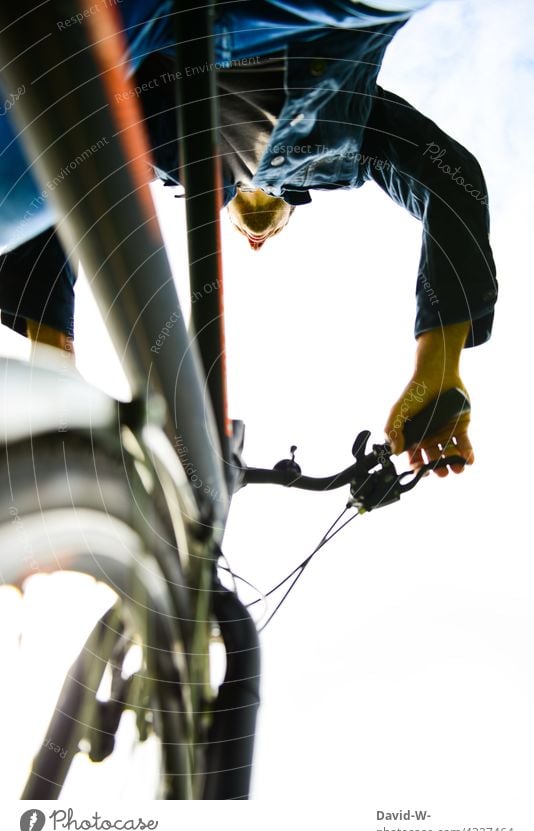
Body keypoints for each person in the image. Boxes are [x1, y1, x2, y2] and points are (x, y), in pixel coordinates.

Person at [0, 0, 498, 475]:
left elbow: (55, 176)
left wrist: (54, 375)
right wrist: (440, 359)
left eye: (248, 230)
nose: (256, 236)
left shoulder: (162, 150)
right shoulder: (348, 145)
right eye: (262, 229)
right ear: (293, 211)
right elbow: (453, 181)